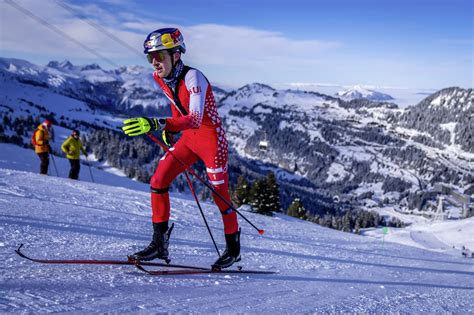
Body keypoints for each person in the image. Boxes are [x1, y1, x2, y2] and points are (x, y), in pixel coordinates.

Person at [122, 28, 240, 269]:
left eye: (160, 55)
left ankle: (233, 249)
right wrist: (172, 129)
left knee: (220, 197)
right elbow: (178, 106)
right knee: (158, 180)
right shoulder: (160, 77)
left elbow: (195, 118)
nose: (154, 62)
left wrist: (158, 123)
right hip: (188, 139)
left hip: (211, 142)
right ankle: (159, 245)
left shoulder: (193, 77)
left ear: (176, 55)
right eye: (150, 57)